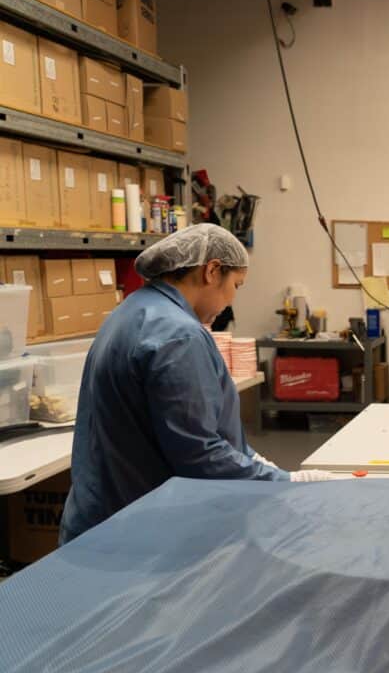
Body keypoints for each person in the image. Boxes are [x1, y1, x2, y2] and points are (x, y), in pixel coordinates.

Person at [60, 225, 333, 545]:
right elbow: (199, 455)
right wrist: (285, 482)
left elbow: (187, 428)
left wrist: (251, 459)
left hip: (101, 519)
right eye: (236, 285)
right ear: (212, 271)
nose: (231, 300)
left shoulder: (131, 311)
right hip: (137, 534)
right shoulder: (179, 335)